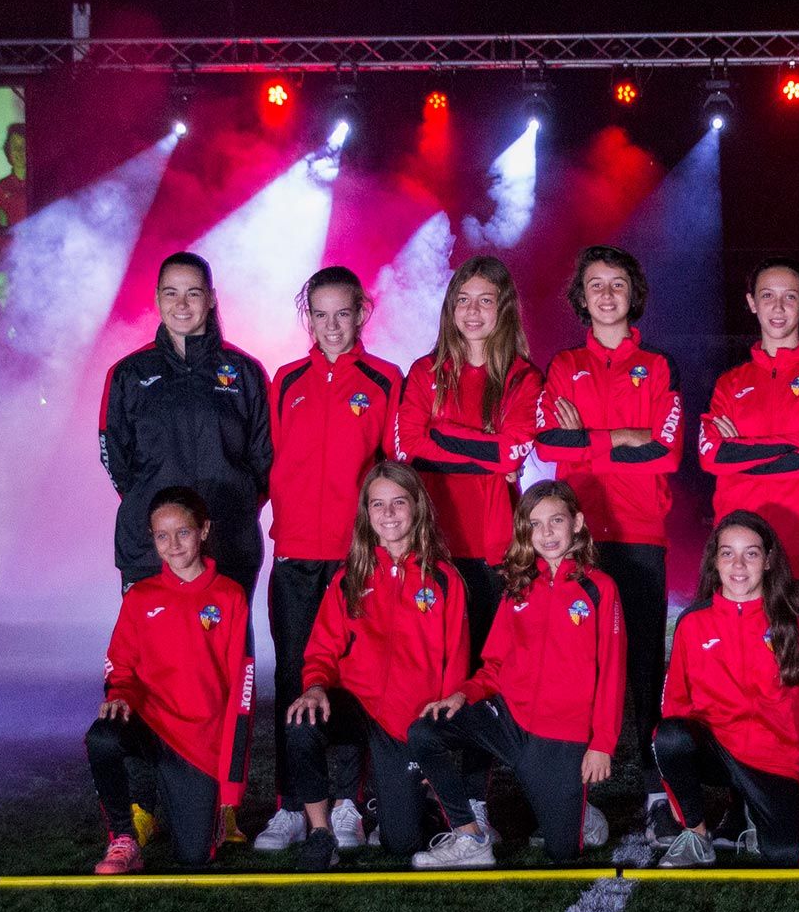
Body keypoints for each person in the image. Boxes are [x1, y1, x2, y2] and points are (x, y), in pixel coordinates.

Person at [696, 256, 799, 847]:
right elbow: (712, 455)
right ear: (751, 303)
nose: (780, 306)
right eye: (768, 295)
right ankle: (743, 801)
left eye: (791, 296)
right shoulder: (728, 382)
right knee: (741, 685)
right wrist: (790, 446)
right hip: (738, 560)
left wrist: (754, 449)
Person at [534, 245, 683, 844]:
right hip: (578, 543)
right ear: (581, 296)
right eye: (594, 284)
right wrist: (624, 438)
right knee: (577, 673)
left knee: (644, 670)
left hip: (641, 535)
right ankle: (578, 797)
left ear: (632, 293)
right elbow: (548, 446)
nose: (606, 294)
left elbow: (666, 449)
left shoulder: (658, 363)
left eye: (616, 283)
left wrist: (587, 440)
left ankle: (655, 794)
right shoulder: (563, 364)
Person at [254, 267, 404, 854]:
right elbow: (270, 463)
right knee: (293, 677)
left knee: (350, 678)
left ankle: (346, 803)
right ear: (307, 317)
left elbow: (396, 473)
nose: (332, 326)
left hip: (355, 563)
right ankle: (293, 805)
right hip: (293, 559)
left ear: (361, 313)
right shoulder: (286, 379)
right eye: (320, 315)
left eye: (343, 313)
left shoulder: (385, 379)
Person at [408, 480, 625, 867]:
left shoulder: (600, 589)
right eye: (535, 525)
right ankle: (470, 837)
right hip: (509, 719)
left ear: (576, 522)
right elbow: (493, 666)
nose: (546, 533)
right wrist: (463, 695)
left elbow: (612, 671)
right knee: (426, 730)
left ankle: (582, 814)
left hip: (561, 733)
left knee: (562, 853)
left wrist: (603, 743)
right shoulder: (519, 588)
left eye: (556, 521)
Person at [283, 464, 469, 870]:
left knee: (402, 843)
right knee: (302, 722)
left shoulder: (444, 579)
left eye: (398, 503)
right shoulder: (350, 576)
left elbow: (454, 666)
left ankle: (410, 804)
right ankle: (320, 834)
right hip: (354, 703)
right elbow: (320, 651)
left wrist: (433, 738)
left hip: (405, 719)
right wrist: (315, 686)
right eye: (378, 504)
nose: (389, 513)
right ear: (366, 514)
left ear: (417, 507)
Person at [653, 511, 799, 868]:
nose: (738, 564)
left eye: (751, 553)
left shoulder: (795, 620)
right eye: (727, 553)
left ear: (769, 560)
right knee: (669, 736)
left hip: (775, 756)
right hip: (717, 748)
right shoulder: (693, 622)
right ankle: (694, 834)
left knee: (786, 858)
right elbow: (674, 701)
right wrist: (679, 745)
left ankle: (757, 811)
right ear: (714, 559)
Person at [85, 487, 255, 873]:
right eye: (162, 535)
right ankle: (124, 838)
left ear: (204, 530)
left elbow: (240, 695)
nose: (173, 544)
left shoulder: (230, 596)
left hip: (198, 743)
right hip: (149, 722)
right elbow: (120, 664)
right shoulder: (140, 597)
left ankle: (202, 809)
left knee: (194, 857)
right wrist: (121, 695)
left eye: (183, 532)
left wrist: (231, 788)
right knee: (103, 735)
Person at [99, 251, 273, 596]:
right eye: (170, 292)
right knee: (155, 649)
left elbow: (265, 454)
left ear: (210, 299)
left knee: (223, 650)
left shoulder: (244, 372)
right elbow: (114, 455)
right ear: (156, 299)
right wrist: (151, 504)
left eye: (193, 292)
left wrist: (235, 501)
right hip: (151, 549)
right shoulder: (129, 374)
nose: (182, 303)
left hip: (228, 543)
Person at [396, 255, 543, 660]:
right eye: (463, 300)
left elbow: (514, 448)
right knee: (431, 654)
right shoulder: (426, 372)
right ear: (450, 308)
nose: (472, 311)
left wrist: (440, 434)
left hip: (491, 540)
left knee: (483, 656)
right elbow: (409, 445)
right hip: (430, 534)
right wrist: (490, 453)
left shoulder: (523, 378)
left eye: (485, 301)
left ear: (505, 308)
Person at [0, 123, 27, 231]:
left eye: (23, 145)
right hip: (13, 246)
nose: (19, 151)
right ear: (8, 150)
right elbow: (1, 228)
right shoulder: (2, 187)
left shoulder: (42, 182)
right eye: (15, 146)